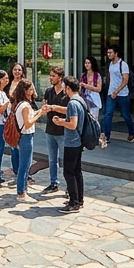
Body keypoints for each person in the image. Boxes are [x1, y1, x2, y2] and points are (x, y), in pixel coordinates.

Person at [53, 76, 86, 213]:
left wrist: (60, 122)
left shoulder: (73, 103)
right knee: (77, 171)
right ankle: (79, 199)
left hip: (72, 142)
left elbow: (73, 124)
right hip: (79, 141)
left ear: (67, 88)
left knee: (69, 172)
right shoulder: (80, 100)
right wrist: (54, 108)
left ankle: (73, 203)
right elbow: (70, 112)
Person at [35, 65, 69, 195]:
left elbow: (69, 110)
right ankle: (53, 183)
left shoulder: (66, 93)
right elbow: (44, 105)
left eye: (53, 76)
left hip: (63, 131)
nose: (51, 78)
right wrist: (43, 109)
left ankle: (68, 186)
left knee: (65, 160)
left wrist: (53, 108)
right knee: (52, 159)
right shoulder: (49, 91)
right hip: (50, 129)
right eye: (50, 75)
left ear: (60, 78)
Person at [10, 79, 44, 200]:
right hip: (26, 136)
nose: (32, 91)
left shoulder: (22, 104)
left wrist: (40, 111)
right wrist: (39, 115)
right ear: (25, 91)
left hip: (25, 136)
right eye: (30, 89)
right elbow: (28, 123)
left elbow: (30, 116)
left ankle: (23, 189)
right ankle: (21, 192)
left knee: (25, 164)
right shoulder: (24, 105)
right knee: (24, 165)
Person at [103, 47, 134, 143]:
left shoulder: (123, 65)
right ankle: (106, 136)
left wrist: (116, 91)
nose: (108, 54)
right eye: (108, 52)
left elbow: (125, 80)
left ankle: (131, 132)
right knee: (108, 114)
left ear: (116, 53)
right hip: (111, 93)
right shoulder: (110, 64)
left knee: (125, 115)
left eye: (110, 52)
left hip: (122, 94)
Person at [80, 56, 103, 127]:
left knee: (94, 119)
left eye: (88, 63)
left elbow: (99, 89)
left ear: (92, 64)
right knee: (84, 119)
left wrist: (87, 86)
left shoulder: (97, 75)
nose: (86, 64)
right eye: (85, 63)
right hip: (85, 99)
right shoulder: (83, 75)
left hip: (94, 99)